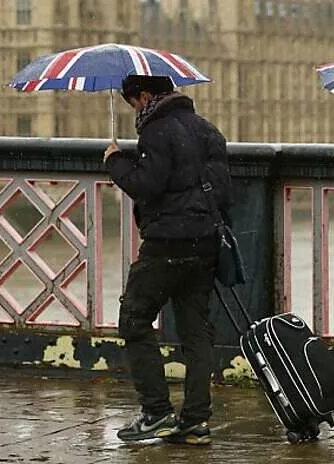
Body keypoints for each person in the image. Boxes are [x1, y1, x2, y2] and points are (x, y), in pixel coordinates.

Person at [103, 74, 233, 445]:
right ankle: (195, 421)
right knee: (195, 331)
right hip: (205, 242)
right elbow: (224, 192)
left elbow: (146, 185)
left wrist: (115, 162)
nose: (133, 111)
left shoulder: (156, 131)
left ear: (144, 96)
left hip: (166, 243)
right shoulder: (209, 130)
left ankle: (156, 412)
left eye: (132, 103)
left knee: (133, 319)